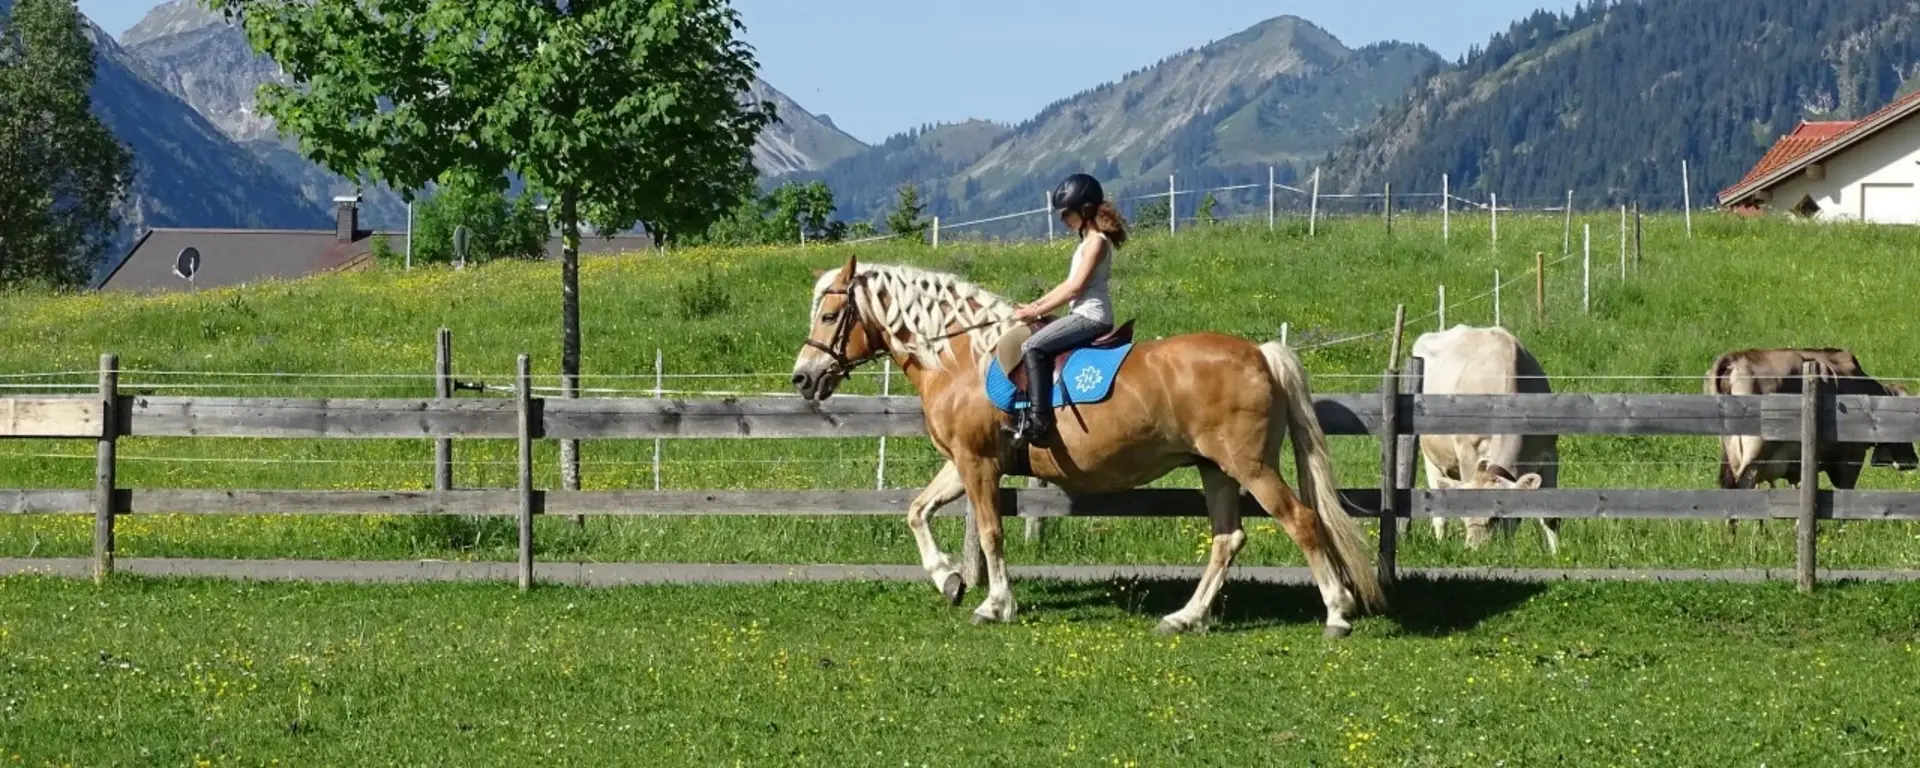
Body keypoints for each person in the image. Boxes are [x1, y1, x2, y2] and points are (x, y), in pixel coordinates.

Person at [1010, 172, 1129, 446]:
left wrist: (1034, 313)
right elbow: (1066, 285)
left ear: (1085, 211)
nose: (1063, 219)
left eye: (1067, 213)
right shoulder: (1086, 242)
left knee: (1033, 347)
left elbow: (1075, 288)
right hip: (1082, 314)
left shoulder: (1096, 242)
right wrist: (1034, 306)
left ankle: (1039, 422)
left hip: (1091, 317)